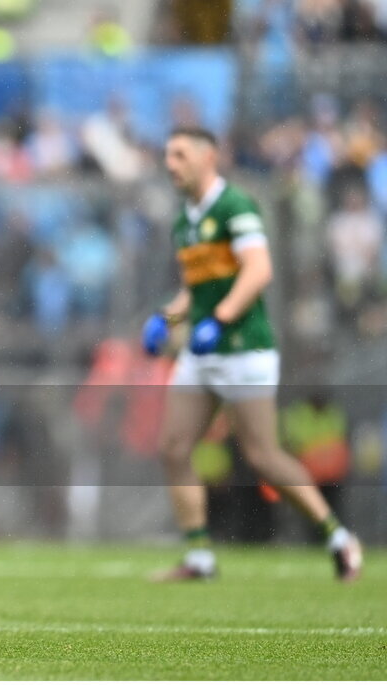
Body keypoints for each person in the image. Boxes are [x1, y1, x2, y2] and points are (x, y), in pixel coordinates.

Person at [141, 127, 362, 582]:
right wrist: (169, 317)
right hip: (204, 350)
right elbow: (194, 286)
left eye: (179, 154)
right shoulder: (185, 218)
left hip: (242, 348)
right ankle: (200, 557)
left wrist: (219, 319)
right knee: (174, 447)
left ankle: (338, 536)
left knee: (263, 456)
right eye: (168, 155)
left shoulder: (234, 206)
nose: (170, 164)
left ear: (208, 157)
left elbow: (259, 269)